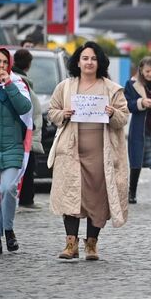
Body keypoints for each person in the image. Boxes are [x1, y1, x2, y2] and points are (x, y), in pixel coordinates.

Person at [48, 42, 130, 260]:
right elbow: (52, 112)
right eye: (85, 58)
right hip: (71, 153)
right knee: (70, 197)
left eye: (93, 58)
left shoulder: (111, 89)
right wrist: (62, 114)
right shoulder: (65, 87)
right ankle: (70, 244)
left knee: (97, 199)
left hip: (100, 155)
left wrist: (113, 113)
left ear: (99, 62)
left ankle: (92, 244)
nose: (89, 62)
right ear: (78, 61)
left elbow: (124, 117)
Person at [0, 48, 32, 255]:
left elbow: (24, 108)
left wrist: (8, 85)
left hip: (12, 147)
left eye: (4, 62)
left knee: (8, 188)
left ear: (10, 64)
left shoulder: (18, 83)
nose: (1, 66)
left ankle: (9, 229)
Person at [125, 57, 151, 206]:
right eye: (147, 71)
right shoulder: (131, 84)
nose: (150, 74)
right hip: (139, 128)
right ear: (141, 71)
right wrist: (141, 102)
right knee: (136, 162)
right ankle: (132, 192)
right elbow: (127, 105)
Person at [12, 49, 44, 211]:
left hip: (25, 131)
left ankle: (25, 198)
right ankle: (26, 198)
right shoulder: (19, 81)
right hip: (24, 133)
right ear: (29, 64)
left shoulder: (18, 79)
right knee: (27, 165)